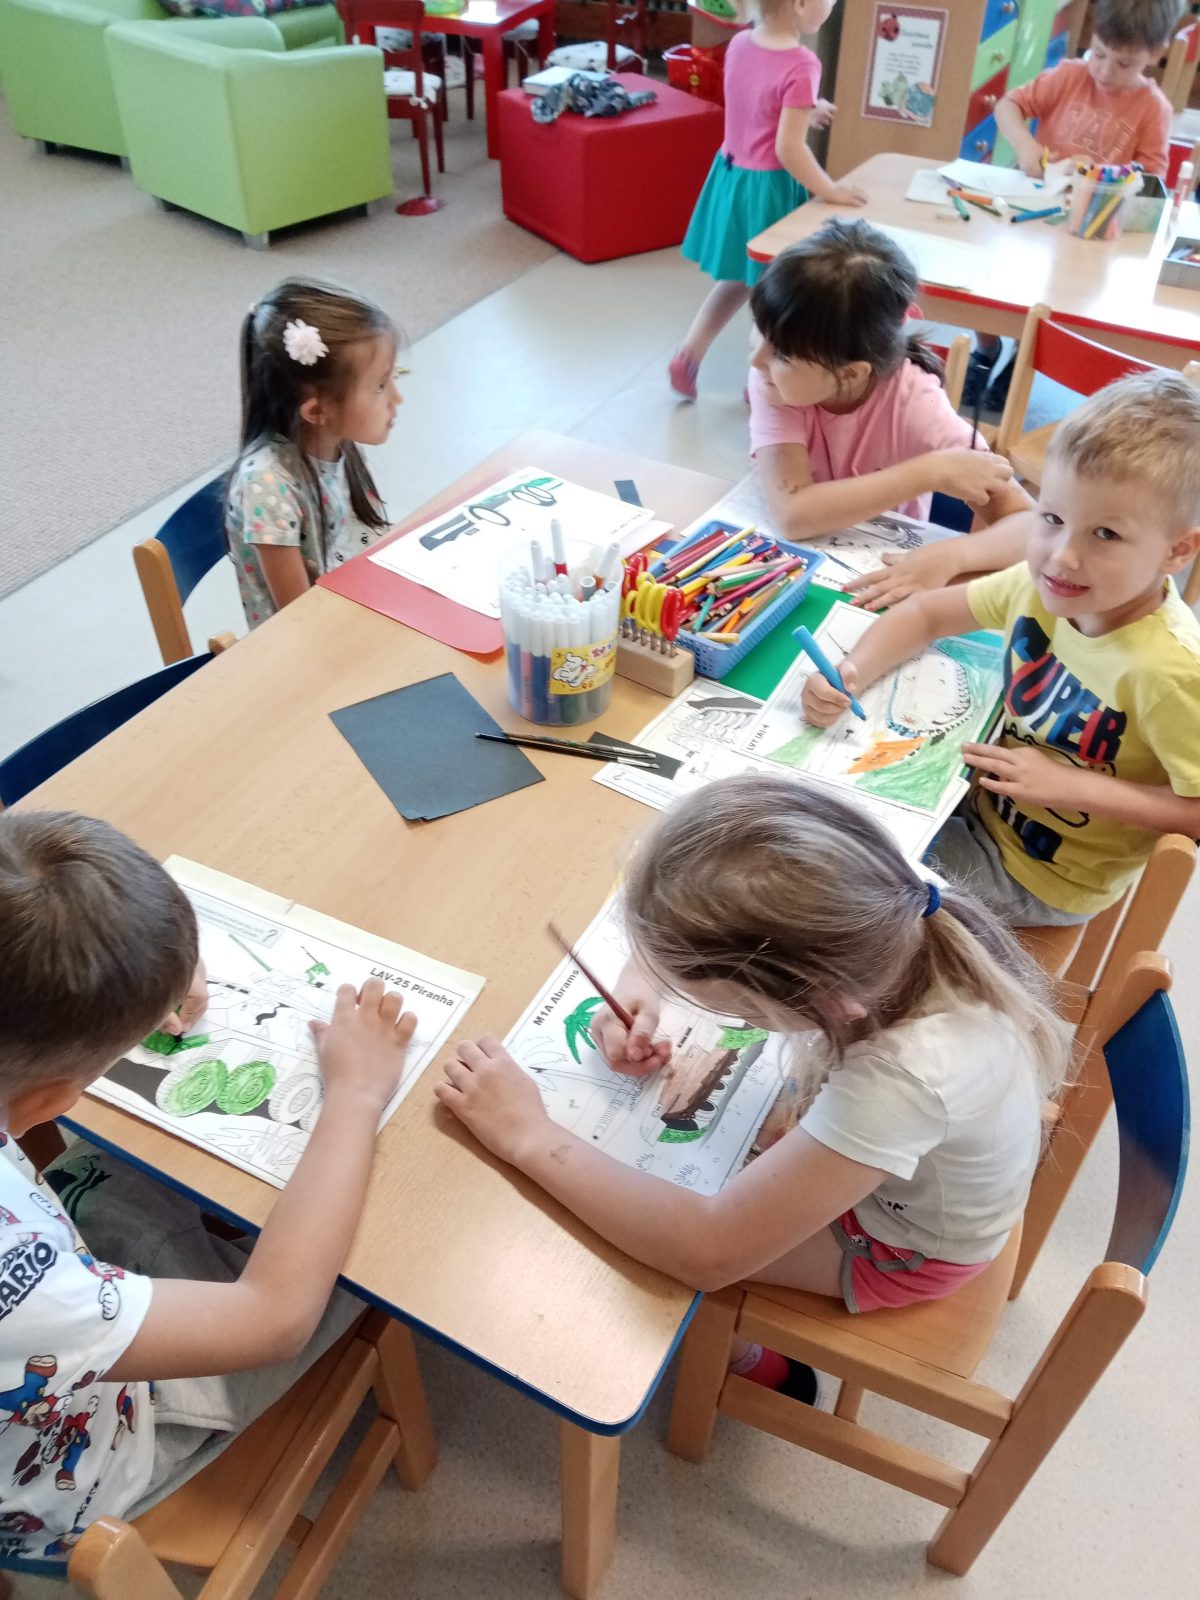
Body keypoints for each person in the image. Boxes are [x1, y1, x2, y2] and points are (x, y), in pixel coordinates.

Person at [436, 775, 1069, 1400]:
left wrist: (526, 1134)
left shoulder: (904, 1078)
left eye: (736, 1011)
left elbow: (707, 1252)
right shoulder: (876, 896)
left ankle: (740, 1354)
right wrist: (639, 989)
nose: (726, 1018)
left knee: (620, 1249)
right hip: (898, 1155)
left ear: (825, 1002)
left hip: (899, 1248)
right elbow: (696, 899)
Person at [0, 811, 417, 1572]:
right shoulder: (20, 1286)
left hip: (50, 1322)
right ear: (50, 1103)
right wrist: (357, 1094)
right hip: (80, 1471)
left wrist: (146, 968)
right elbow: (274, 1318)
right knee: (374, 1268)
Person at [802, 372, 1200, 930]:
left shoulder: (1172, 670)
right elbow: (927, 613)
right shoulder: (1039, 586)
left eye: (1106, 534)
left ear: (1177, 551)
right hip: (972, 794)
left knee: (835, 879)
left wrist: (1077, 787)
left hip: (1038, 872)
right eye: (1052, 519)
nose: (1061, 557)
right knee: (818, 821)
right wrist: (850, 671)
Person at [748, 219, 1033, 579]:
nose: (755, 359)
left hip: (877, 575)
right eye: (759, 329)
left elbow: (1031, 526)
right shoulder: (774, 383)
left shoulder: (917, 404)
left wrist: (957, 556)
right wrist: (929, 472)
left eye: (783, 355)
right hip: (793, 568)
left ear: (852, 373)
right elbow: (793, 514)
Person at [968, 0, 1182, 407]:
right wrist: (1026, 146)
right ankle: (986, 349)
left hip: (1090, 230)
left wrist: (1104, 181)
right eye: (1098, 54)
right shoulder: (1070, 75)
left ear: (1155, 54)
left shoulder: (1154, 109)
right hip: (1035, 213)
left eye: (1123, 64)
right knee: (992, 283)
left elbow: (1150, 180)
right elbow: (1009, 106)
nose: (1104, 71)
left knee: (1051, 302)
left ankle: (1023, 358)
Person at [669, 0, 866, 401]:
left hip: (732, 176)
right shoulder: (803, 63)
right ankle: (760, 383)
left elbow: (755, 104)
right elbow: (788, 149)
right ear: (801, 4)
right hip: (768, 190)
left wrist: (805, 109)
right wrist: (831, 190)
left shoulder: (741, 43)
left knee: (739, 278)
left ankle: (689, 354)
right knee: (776, 291)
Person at [226, 279, 402, 629]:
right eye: (381, 386)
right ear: (316, 411)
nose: (397, 398)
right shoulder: (267, 485)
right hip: (308, 645)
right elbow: (300, 620)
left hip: (355, 611)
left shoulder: (335, 438)